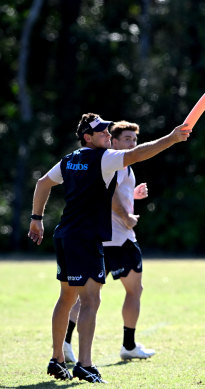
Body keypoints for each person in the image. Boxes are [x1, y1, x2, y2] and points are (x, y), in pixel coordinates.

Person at [28, 113, 191, 383]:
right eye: (101, 132)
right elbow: (139, 153)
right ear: (87, 137)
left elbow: (43, 182)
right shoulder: (103, 157)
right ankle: (85, 364)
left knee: (66, 298)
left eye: (107, 130)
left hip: (65, 234)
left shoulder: (70, 160)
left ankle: (57, 359)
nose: (107, 134)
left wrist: (36, 219)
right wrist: (172, 139)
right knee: (91, 300)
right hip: (86, 238)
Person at [63, 121, 155, 365]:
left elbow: (109, 192)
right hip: (120, 237)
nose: (132, 144)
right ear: (113, 141)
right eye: (127, 139)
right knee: (134, 290)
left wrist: (132, 196)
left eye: (134, 140)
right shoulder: (113, 160)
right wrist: (127, 218)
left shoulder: (118, 164)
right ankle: (128, 345)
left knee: (87, 296)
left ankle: (65, 343)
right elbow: (111, 196)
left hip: (101, 237)